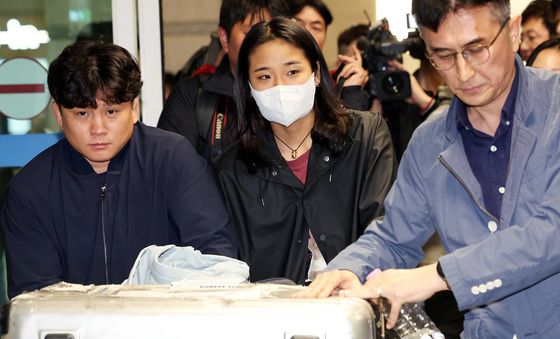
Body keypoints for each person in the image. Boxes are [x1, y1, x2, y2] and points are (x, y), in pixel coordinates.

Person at [298, 0, 560, 337]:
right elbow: (394, 237)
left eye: (476, 49)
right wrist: (351, 268)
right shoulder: (430, 143)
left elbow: (552, 232)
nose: (463, 73)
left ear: (513, 32)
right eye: (444, 55)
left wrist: (438, 276)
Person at [0, 40, 237, 298]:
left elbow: (215, 260)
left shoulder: (173, 160)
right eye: (82, 114)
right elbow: (35, 298)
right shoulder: (30, 190)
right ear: (58, 114)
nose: (98, 128)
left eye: (111, 111)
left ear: (134, 108)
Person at [213, 17, 397, 285]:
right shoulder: (231, 170)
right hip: (273, 317)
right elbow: (228, 266)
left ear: (317, 73)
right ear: (249, 88)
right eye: (264, 76)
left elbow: (385, 231)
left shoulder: (365, 136)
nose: (280, 86)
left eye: (292, 72)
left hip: (356, 304)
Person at [157, 0, 291, 161]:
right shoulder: (192, 96)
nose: (264, 42)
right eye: (252, 31)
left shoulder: (301, 95)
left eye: (273, 31)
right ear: (225, 39)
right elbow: (172, 170)